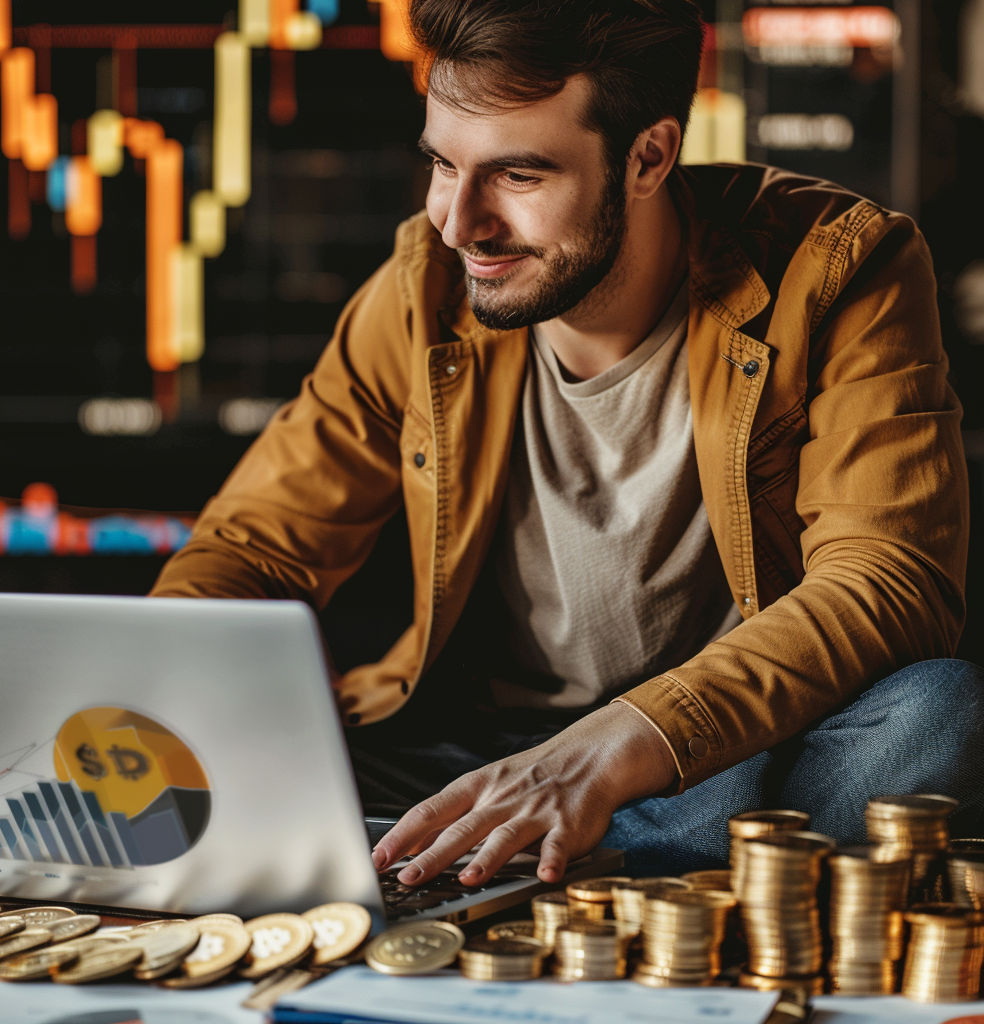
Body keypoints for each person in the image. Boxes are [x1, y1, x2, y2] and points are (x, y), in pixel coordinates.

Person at [151, 0, 984, 885]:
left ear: (648, 157)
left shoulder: (841, 271)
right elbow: (252, 552)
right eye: (442, 164)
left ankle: (448, 870)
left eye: (516, 175)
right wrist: (133, 701)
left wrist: (614, 748)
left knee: (934, 721)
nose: (457, 223)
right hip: (469, 760)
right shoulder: (420, 289)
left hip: (708, 754)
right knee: (270, 750)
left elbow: (889, 586)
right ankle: (582, 866)